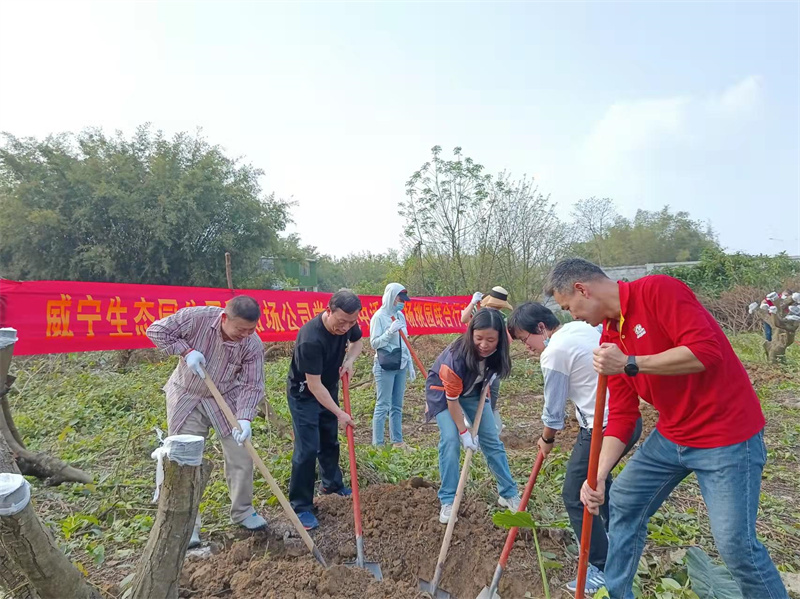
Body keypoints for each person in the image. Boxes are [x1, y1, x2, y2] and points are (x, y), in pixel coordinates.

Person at [544, 258, 788, 599]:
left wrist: (630, 363)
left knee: (736, 546)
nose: (572, 316)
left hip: (726, 435)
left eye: (569, 307)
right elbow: (623, 415)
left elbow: (706, 352)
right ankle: (617, 593)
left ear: (582, 289)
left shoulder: (658, 290)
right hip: (673, 435)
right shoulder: (611, 338)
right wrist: (598, 475)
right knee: (624, 500)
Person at [508, 302, 642, 595]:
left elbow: (553, 412)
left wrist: (547, 439)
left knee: (575, 493)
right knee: (600, 484)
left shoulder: (554, 352)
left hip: (604, 428)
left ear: (541, 328)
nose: (526, 347)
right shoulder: (580, 328)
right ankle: (616, 541)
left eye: (525, 339)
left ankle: (602, 566)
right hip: (626, 419)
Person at [146, 296, 266, 547]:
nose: (245, 334)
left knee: (241, 452)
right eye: (240, 329)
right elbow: (156, 330)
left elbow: (252, 384)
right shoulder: (196, 318)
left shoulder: (252, 344)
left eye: (251, 329)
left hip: (226, 397)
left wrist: (244, 418)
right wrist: (187, 351)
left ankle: (243, 511)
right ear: (224, 318)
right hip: (187, 395)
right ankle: (187, 525)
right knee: (184, 459)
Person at [426, 308, 520, 524]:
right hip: (443, 393)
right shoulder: (455, 359)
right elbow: (452, 401)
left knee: (491, 440)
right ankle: (448, 500)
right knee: (451, 440)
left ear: (500, 338)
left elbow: (492, 375)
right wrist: (464, 432)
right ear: (471, 334)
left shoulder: (500, 349)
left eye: (491, 340)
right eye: (479, 338)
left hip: (473, 391)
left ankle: (508, 493)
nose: (484, 344)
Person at [287, 289, 364, 530]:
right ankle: (300, 506)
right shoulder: (310, 339)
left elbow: (358, 341)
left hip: (328, 387)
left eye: (351, 322)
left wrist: (350, 360)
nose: (346, 327)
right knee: (308, 448)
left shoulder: (348, 323)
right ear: (328, 311)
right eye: (341, 322)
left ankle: (331, 484)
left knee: (330, 439)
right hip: (304, 394)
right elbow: (314, 386)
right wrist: (340, 413)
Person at [461, 286, 513, 431]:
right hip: (474, 358)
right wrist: (472, 303)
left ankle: (489, 420)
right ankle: (471, 420)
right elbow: (464, 319)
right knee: (472, 390)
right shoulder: (478, 312)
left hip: (493, 360)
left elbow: (507, 340)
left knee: (493, 390)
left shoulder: (501, 317)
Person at [369, 283, 414, 448]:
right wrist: (389, 332)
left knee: (397, 406)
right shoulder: (379, 317)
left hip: (401, 364)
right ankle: (378, 445)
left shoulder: (400, 316)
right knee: (383, 405)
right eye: (400, 299)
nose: (402, 303)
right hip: (385, 366)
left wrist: (410, 364)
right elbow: (374, 343)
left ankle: (398, 442)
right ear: (391, 297)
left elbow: (405, 341)